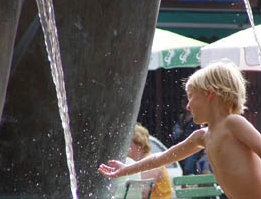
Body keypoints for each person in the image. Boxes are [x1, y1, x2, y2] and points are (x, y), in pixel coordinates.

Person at [98, 61, 261, 199]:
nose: (188, 105)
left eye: (191, 97)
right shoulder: (202, 137)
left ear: (210, 93)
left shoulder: (233, 123)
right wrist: (126, 169)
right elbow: (161, 158)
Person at [128, 123, 172, 199]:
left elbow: (142, 193)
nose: (126, 147)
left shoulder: (151, 162)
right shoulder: (143, 162)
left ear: (140, 145)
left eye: (129, 143)